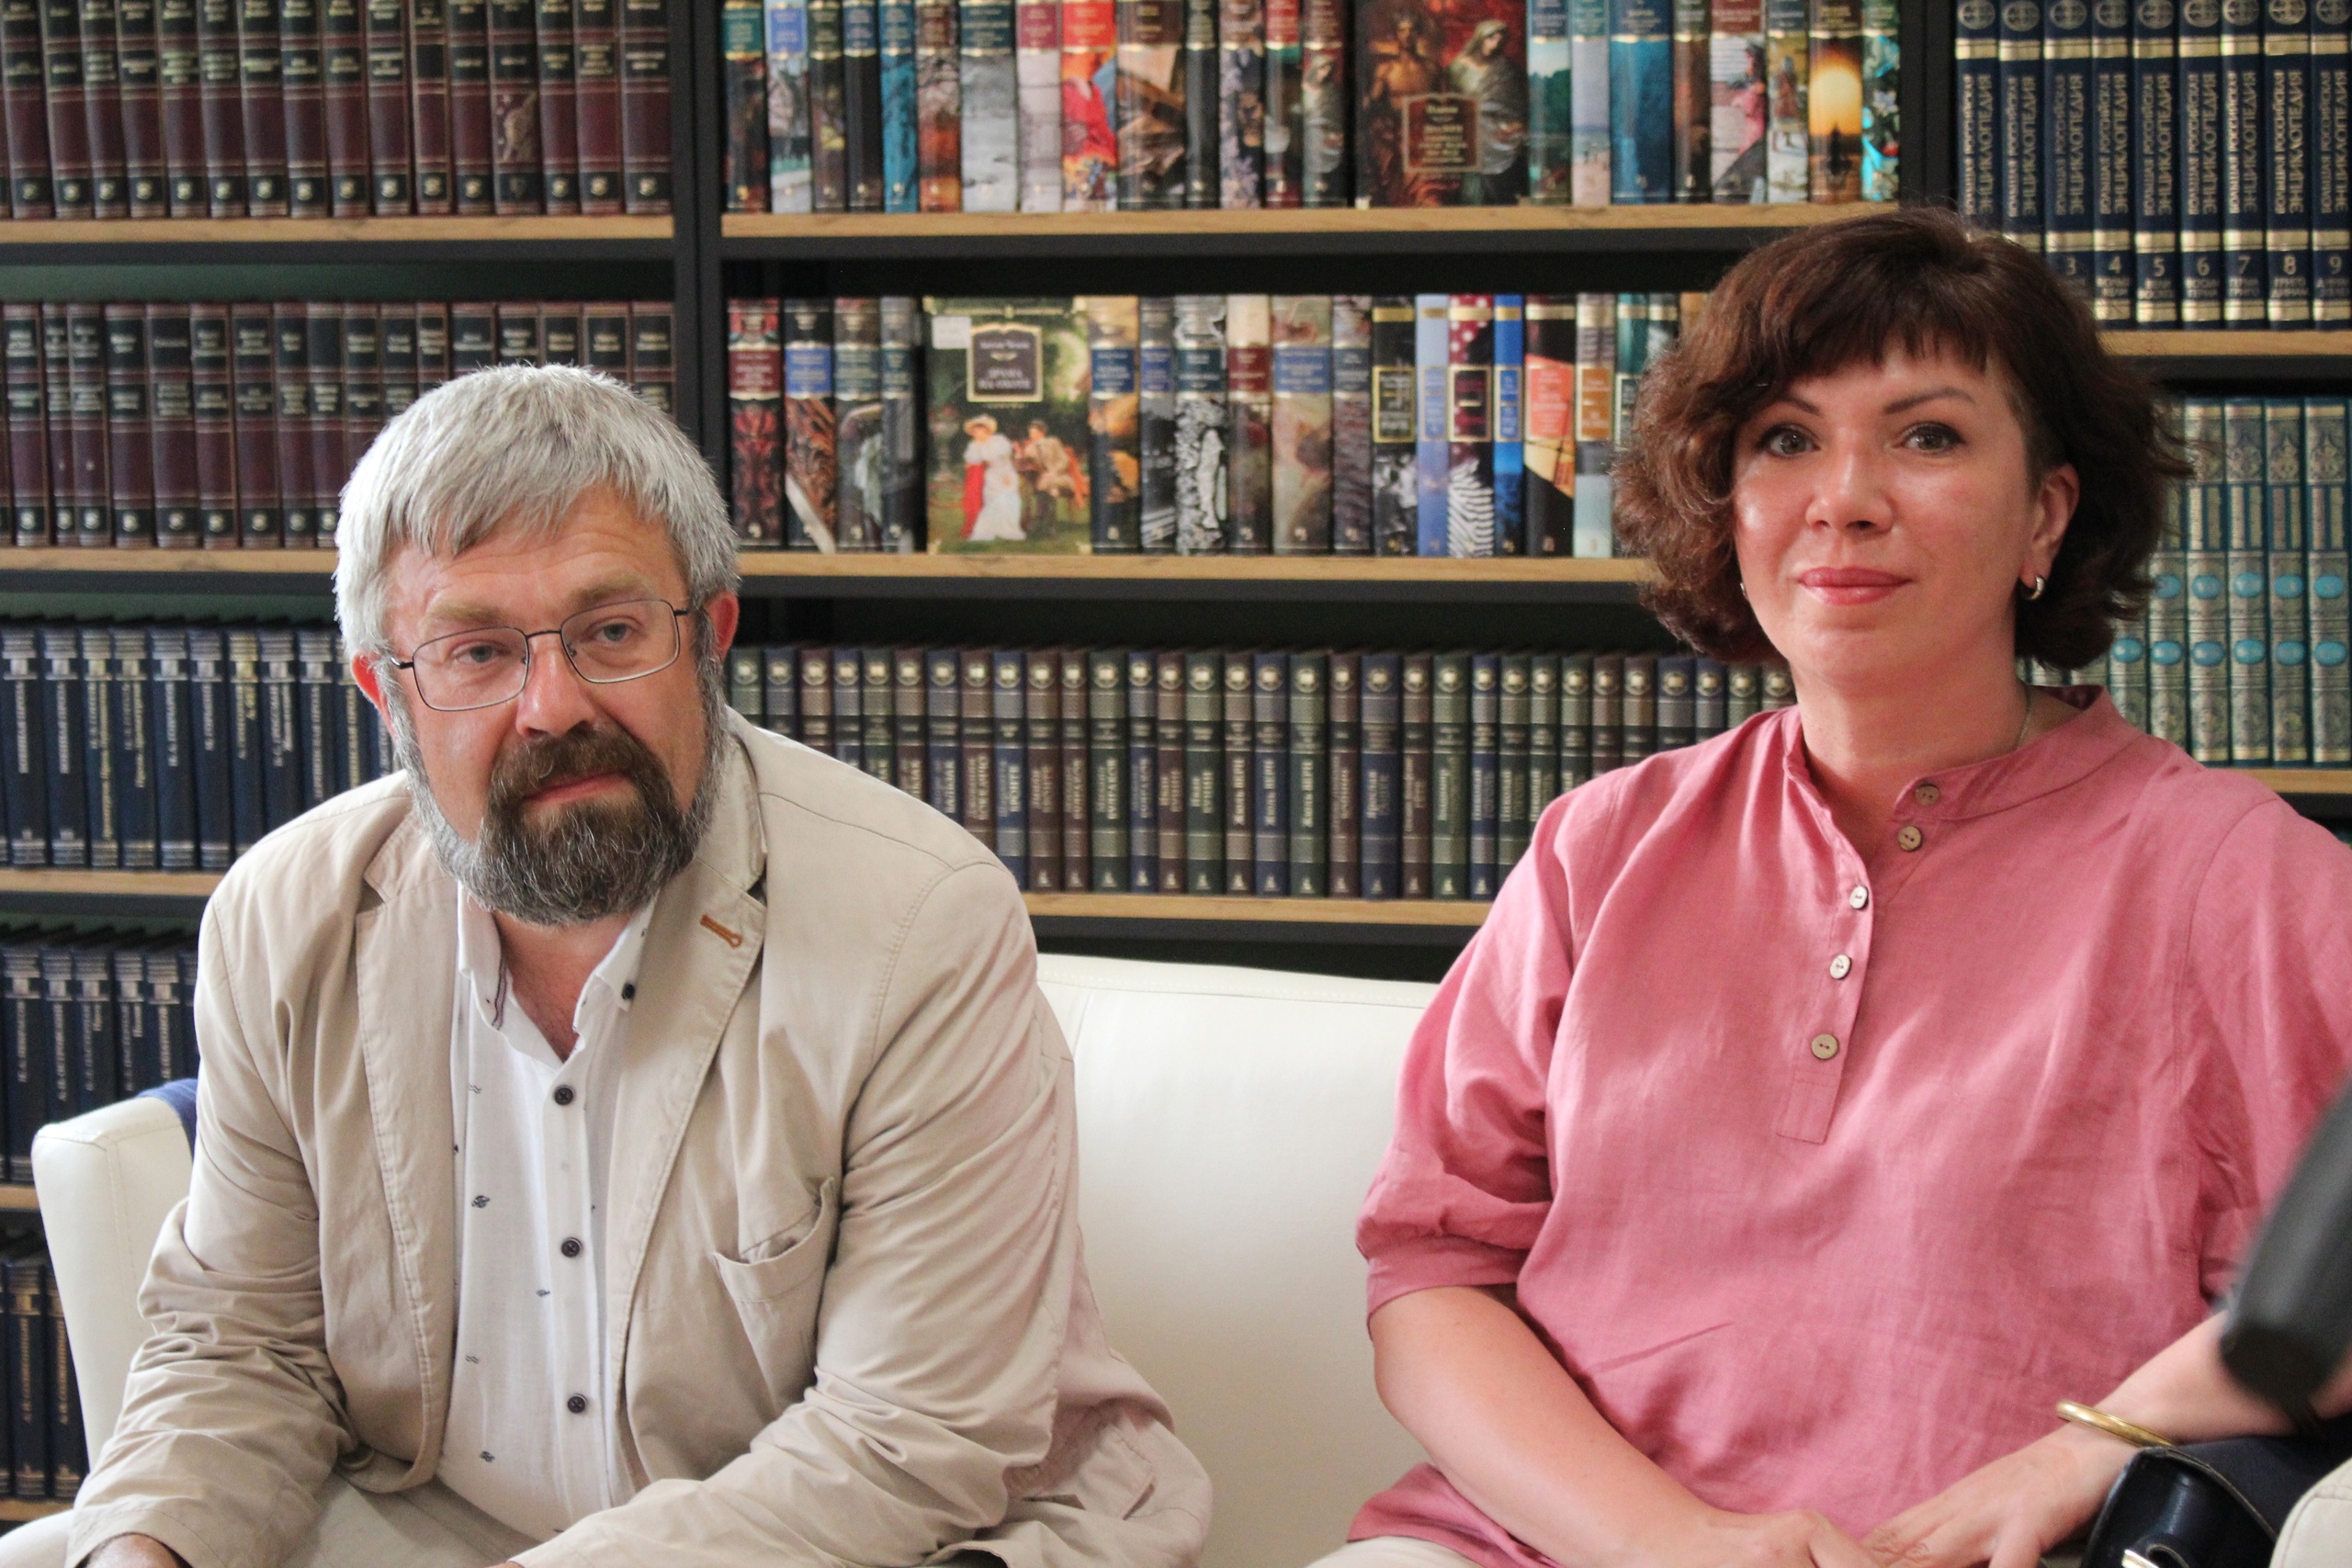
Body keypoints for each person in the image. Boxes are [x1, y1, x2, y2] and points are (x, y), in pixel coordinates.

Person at [11, 366, 1209, 1568]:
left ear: (710, 639)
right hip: (442, 1526)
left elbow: (903, 1443)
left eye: (612, 634)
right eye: (477, 652)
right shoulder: (284, 917)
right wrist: (145, 1550)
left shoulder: (919, 924)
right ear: (389, 692)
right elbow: (241, 1347)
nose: (553, 706)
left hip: (899, 1535)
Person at [1317, 207, 2352, 1568]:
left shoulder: (2241, 878)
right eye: (1785, 440)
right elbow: (1433, 1274)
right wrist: (1672, 1542)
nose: (1844, 497)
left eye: (1928, 437)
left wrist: (2093, 1446)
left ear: (2047, 514)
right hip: (1537, 1548)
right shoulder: (1599, 848)